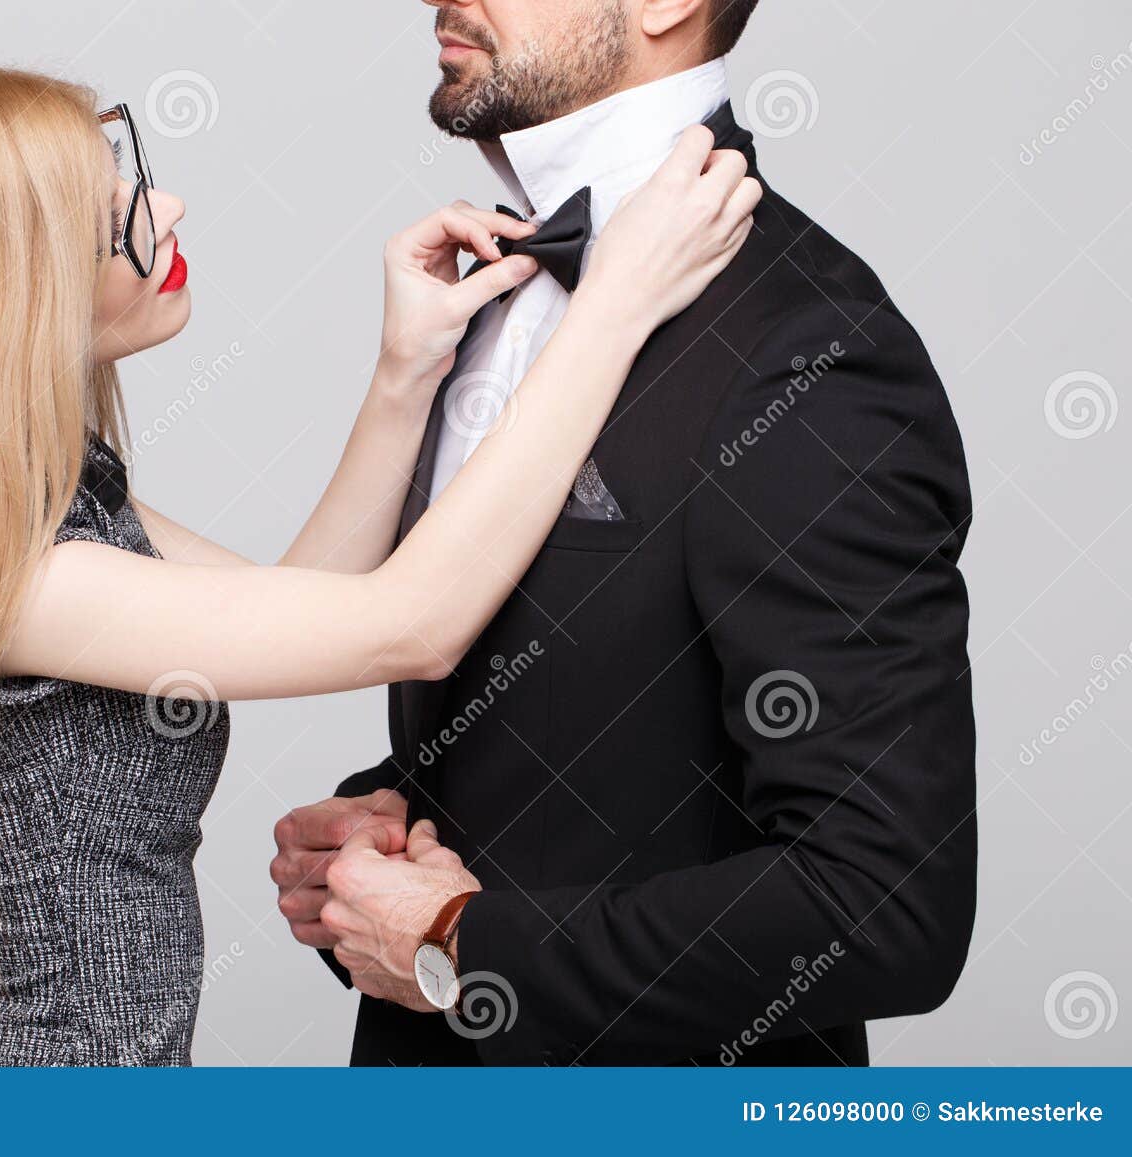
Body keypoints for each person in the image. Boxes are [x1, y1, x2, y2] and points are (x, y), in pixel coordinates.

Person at [0, 60, 757, 1065]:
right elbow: (408, 626)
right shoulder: (20, 577)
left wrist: (405, 371)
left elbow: (300, 602)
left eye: (130, 179)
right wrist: (611, 310)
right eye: (112, 217)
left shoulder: (51, 500)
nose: (168, 206)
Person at [275, 0, 978, 1066]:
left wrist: (465, 941)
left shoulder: (810, 350)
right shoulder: (475, 299)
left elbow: (883, 898)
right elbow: (594, 716)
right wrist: (379, 840)